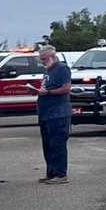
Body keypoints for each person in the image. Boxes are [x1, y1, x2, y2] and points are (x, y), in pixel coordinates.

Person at [26, 45, 71, 184]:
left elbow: (66, 88)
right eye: (41, 59)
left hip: (58, 113)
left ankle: (61, 174)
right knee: (48, 145)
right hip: (46, 113)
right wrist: (37, 91)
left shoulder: (62, 69)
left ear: (52, 56)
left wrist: (48, 93)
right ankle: (51, 172)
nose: (42, 61)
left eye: (44, 59)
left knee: (57, 144)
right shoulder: (48, 71)